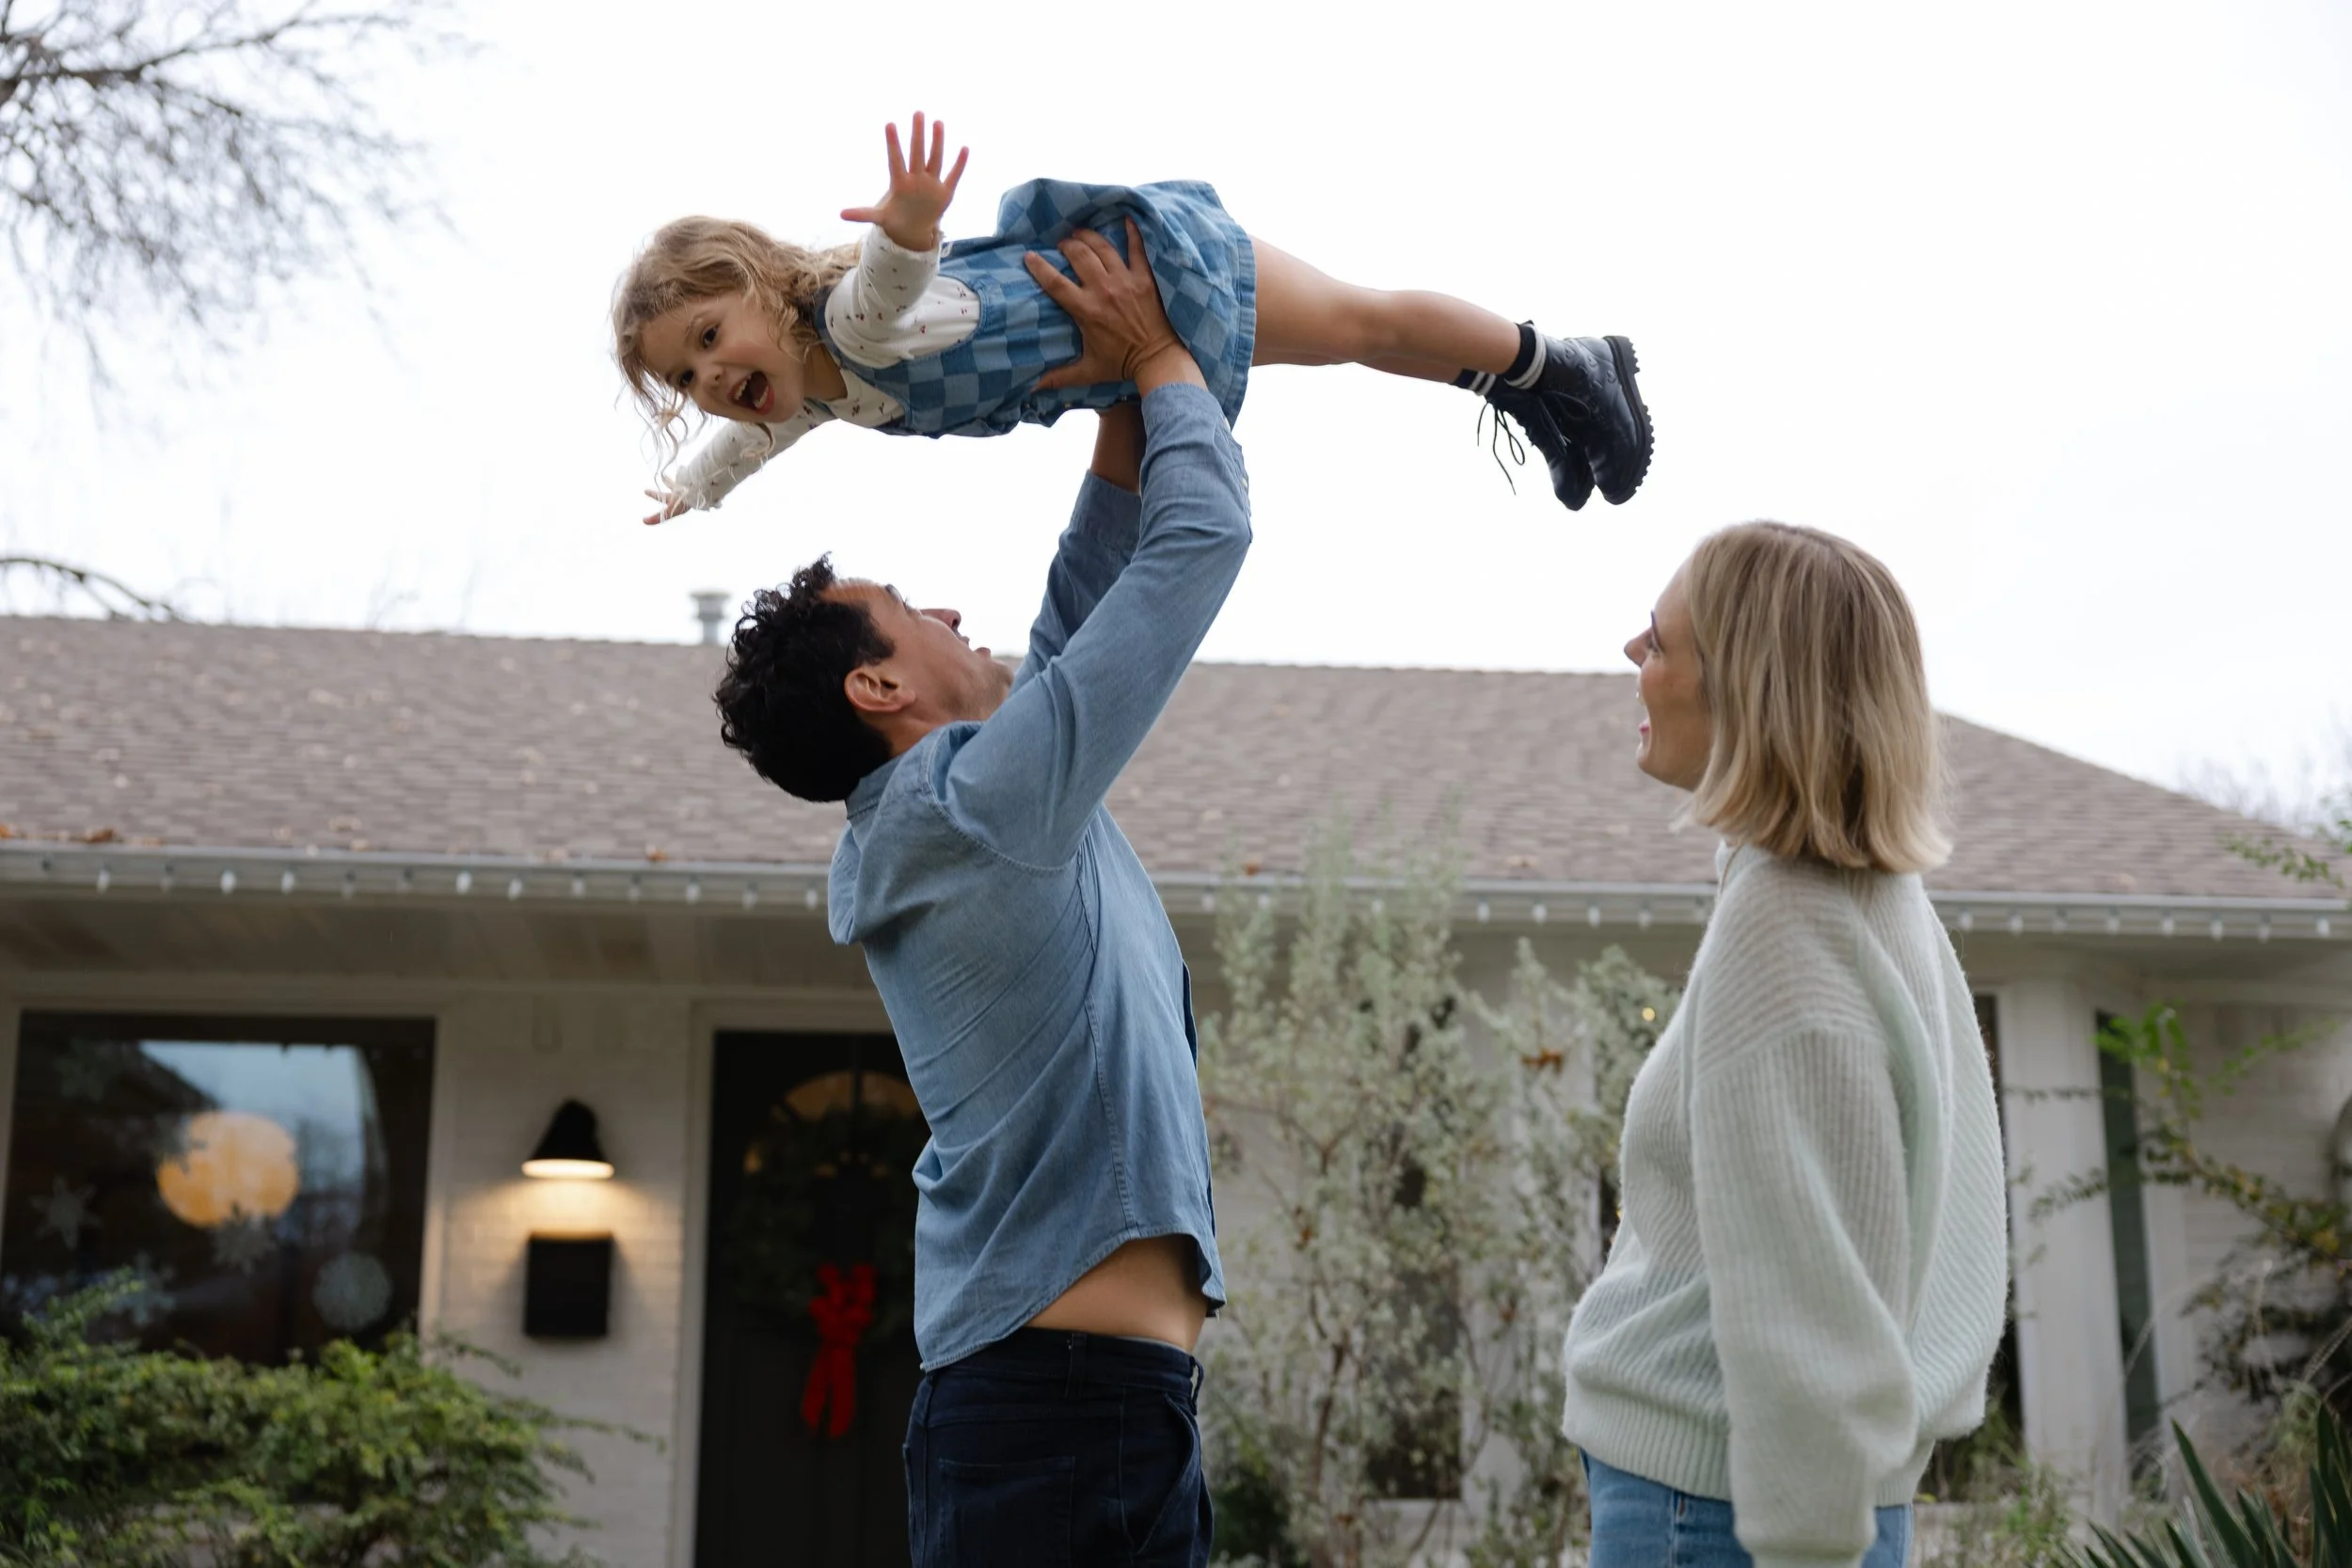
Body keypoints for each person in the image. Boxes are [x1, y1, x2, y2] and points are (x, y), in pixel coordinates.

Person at [710, 221, 1240, 1566]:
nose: (953, 612)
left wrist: (1122, 391)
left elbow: (1081, 607)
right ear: (878, 689)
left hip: (1090, 1405)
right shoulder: (978, 809)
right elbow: (1198, 542)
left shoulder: (975, 808)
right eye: (910, 612)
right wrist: (1169, 358)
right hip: (1059, 1413)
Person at [1560, 523, 2010, 1568]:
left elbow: (1809, 1289)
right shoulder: (1875, 904)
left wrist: (1811, 1536)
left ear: (1745, 687)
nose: (1634, 651)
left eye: (1663, 639)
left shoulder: (1784, 920)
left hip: (1721, 1506)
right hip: (1768, 1496)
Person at [613, 112, 1650, 523]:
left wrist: (910, 225)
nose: (709, 381)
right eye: (685, 378)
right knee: (1347, 347)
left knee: (1357, 324)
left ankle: (1562, 362)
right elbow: (757, 445)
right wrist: (692, 485)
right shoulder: (819, 401)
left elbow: (886, 287)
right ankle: (1535, 388)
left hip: (1150, 276)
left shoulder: (851, 325)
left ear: (760, 284)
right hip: (1130, 342)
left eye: (709, 339)